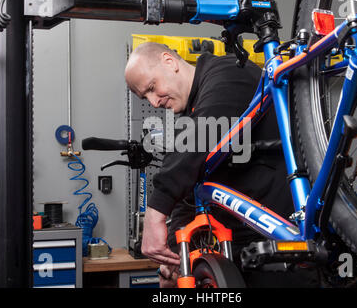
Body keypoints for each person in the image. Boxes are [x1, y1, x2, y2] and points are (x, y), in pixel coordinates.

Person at [124, 42, 320, 288]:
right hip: (240, 251)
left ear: (169, 62)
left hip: (281, 250)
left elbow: (199, 135)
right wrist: (174, 259)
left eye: (152, 88)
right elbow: (191, 192)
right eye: (146, 96)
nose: (153, 102)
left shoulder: (229, 73)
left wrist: (155, 212)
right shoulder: (192, 113)